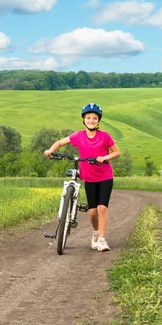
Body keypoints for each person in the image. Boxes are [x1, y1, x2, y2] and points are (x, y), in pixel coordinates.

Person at [44, 103, 121, 252]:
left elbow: (117, 152)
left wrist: (105, 157)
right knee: (92, 212)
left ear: (98, 121)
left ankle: (102, 241)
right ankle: (96, 233)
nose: (91, 120)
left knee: (102, 208)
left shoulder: (104, 136)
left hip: (105, 176)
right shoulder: (79, 136)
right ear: (84, 120)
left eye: (94, 118)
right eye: (88, 118)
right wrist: (50, 150)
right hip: (89, 178)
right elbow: (60, 142)